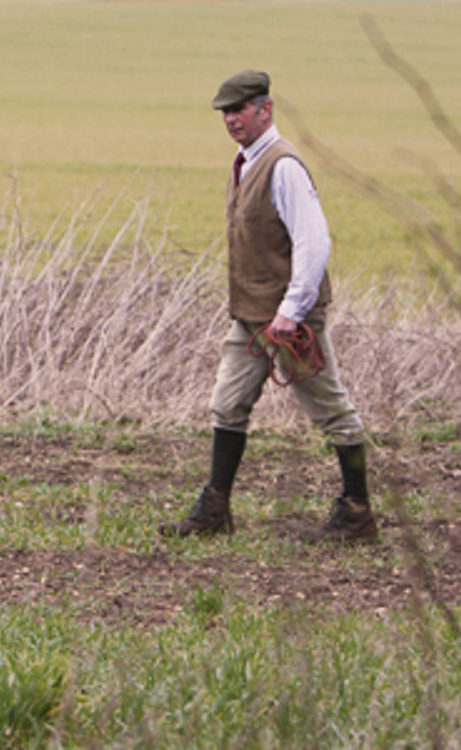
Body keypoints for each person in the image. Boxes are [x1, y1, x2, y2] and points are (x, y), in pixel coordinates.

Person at [159, 70, 378, 544]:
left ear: (266, 109)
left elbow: (314, 244)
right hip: (251, 317)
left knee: (333, 412)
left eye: (240, 109)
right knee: (227, 405)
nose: (231, 119)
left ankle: (358, 512)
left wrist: (292, 312)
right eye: (225, 112)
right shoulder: (244, 161)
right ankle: (215, 510)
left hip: (288, 319)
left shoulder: (283, 166)